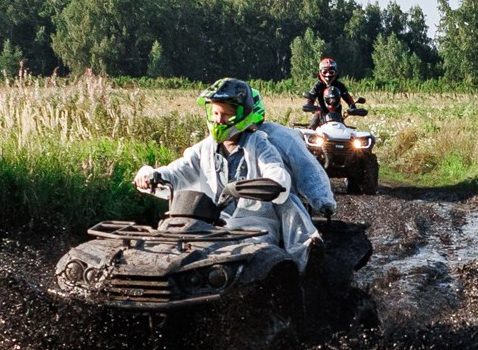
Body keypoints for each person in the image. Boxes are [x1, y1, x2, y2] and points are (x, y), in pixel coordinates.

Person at [133, 78, 336, 256]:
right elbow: (179, 171)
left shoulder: (260, 144)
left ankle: (304, 261)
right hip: (209, 224)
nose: (218, 120)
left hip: (255, 227)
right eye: (214, 113)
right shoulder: (204, 148)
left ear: (243, 114)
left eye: (226, 115)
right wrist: (153, 175)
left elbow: (277, 172)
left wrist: (274, 185)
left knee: (253, 257)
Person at [301, 55, 362, 126]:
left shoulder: (339, 85)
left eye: (331, 72)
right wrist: (309, 105)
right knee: (312, 129)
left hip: (337, 115)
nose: (328, 75)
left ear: (335, 72)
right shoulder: (317, 86)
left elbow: (347, 97)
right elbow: (311, 97)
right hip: (321, 113)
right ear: (320, 72)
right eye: (325, 72)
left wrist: (352, 107)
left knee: (345, 132)